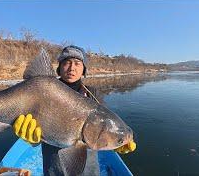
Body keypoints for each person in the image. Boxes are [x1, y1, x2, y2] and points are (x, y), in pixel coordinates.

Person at [13, 45, 136, 175]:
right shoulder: (41, 90)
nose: (72, 68)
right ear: (59, 68)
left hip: (87, 166)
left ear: (84, 70)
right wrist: (31, 140)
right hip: (53, 165)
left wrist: (126, 138)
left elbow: (109, 123)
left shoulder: (92, 94)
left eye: (77, 63)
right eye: (67, 62)